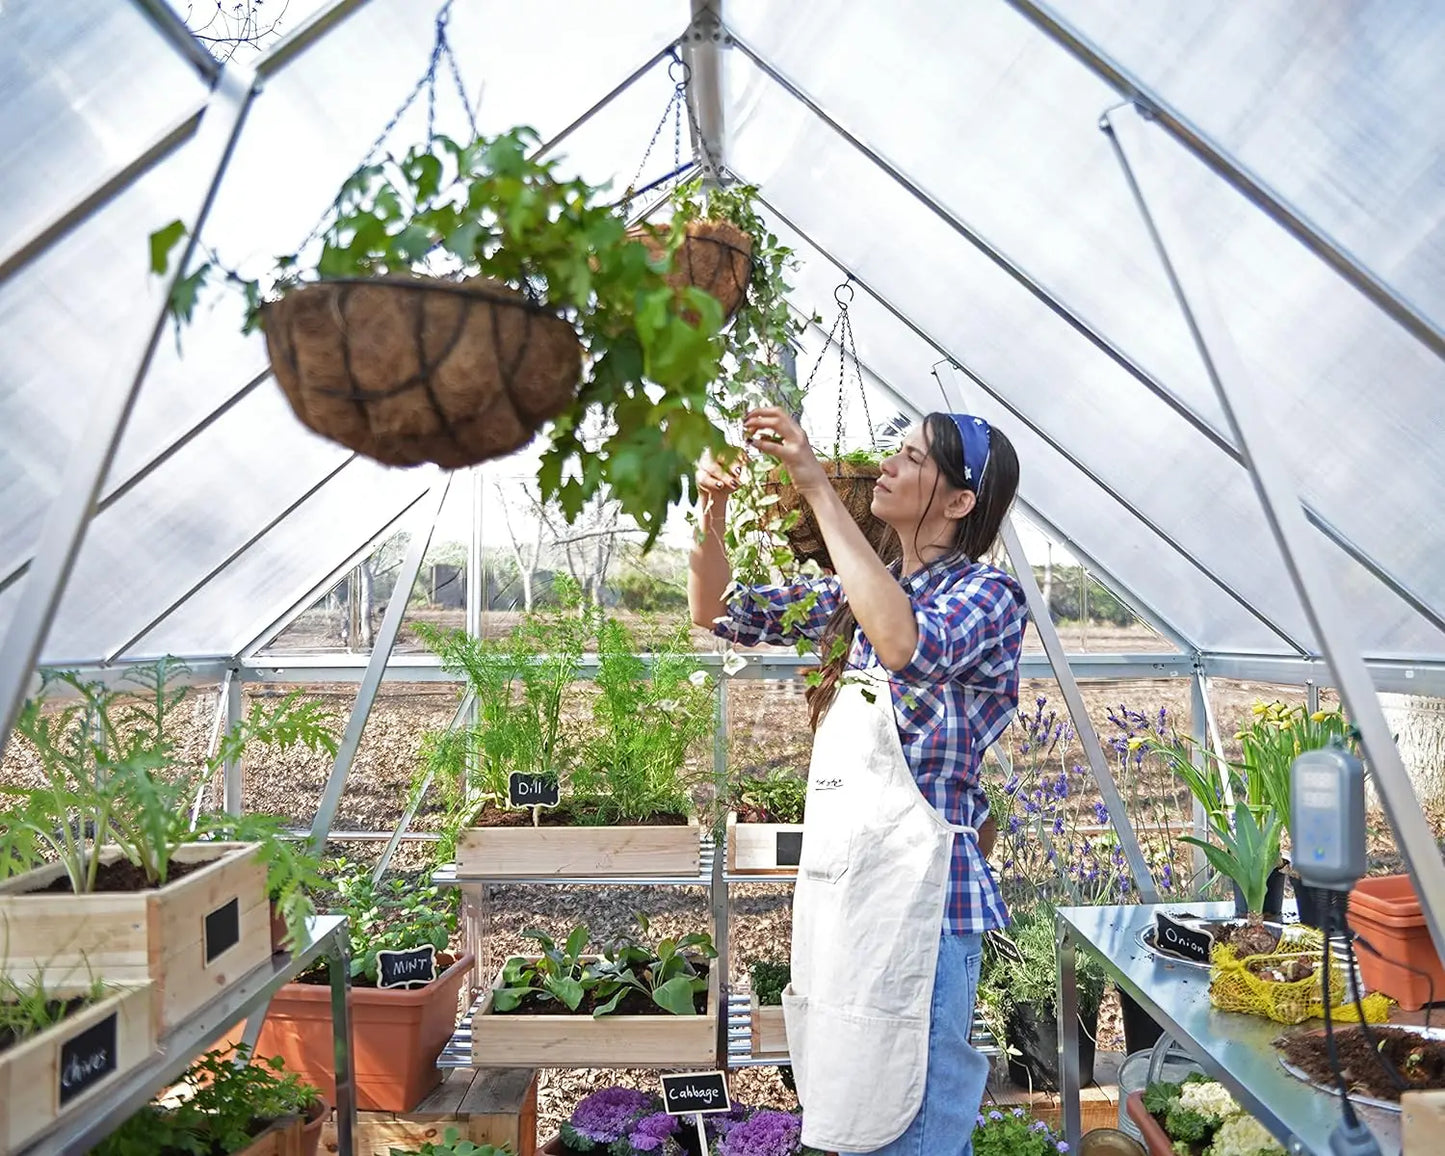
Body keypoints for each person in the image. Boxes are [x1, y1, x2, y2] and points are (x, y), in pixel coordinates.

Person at [689, 407, 1026, 1156]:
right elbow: (715, 611)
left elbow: (904, 641)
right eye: (892, 453)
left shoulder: (986, 596)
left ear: (960, 501)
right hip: (855, 898)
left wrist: (815, 484)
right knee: (860, 1105)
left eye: (911, 459)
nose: (887, 467)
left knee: (916, 1115)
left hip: (925, 903)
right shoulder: (857, 598)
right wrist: (710, 509)